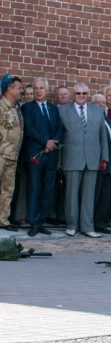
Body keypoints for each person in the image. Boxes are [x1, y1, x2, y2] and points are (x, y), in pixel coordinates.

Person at [58, 82, 108, 238]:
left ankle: (87, 226)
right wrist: (58, 159)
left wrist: (104, 156)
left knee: (89, 194)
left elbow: (103, 135)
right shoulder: (63, 110)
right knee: (71, 193)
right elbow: (59, 136)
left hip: (93, 157)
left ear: (88, 95)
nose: (81, 96)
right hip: (71, 156)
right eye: (78, 93)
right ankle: (71, 225)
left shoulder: (97, 110)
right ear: (74, 95)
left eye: (84, 94)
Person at [21, 77, 63, 236]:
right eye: (36, 88)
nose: (38, 91)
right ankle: (33, 222)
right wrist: (45, 141)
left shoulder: (53, 109)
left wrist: (52, 143)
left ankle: (41, 221)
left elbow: (59, 127)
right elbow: (29, 129)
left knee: (48, 189)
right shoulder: (27, 108)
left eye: (41, 88)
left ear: (47, 90)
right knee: (34, 188)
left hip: (51, 154)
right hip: (36, 154)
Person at [92, 93, 111, 234]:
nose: (101, 105)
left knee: (106, 193)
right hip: (97, 161)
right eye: (98, 102)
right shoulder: (92, 118)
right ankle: (91, 222)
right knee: (95, 193)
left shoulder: (109, 118)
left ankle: (100, 222)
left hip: (109, 160)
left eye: (103, 102)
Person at [0, 74, 25, 232]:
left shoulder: (17, 108)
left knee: (7, 190)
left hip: (12, 156)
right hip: (0, 155)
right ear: (9, 89)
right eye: (19, 88)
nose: (21, 91)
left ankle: (2, 219)